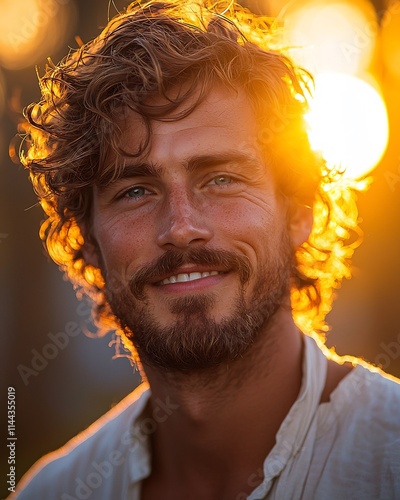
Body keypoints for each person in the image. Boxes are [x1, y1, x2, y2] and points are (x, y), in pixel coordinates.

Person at [11, 1, 400, 499]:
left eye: (221, 179)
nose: (181, 227)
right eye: (135, 190)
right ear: (86, 241)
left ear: (298, 210)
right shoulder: (53, 493)